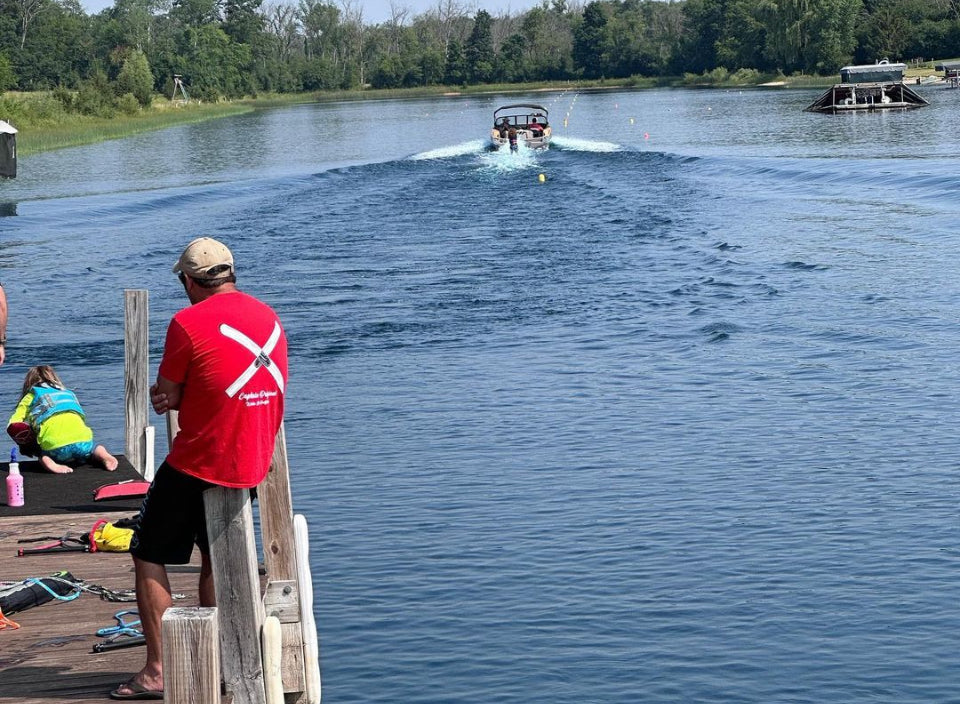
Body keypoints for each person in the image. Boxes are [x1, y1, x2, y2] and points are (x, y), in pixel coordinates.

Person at [111, 236, 288, 701]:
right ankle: (224, 656)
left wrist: (174, 394)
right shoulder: (268, 316)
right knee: (215, 553)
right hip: (253, 457)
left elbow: (166, 394)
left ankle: (158, 670)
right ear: (231, 274)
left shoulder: (186, 323)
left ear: (189, 282)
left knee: (146, 549)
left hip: (203, 458)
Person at [6, 365, 118, 473]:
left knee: (43, 453)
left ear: (28, 383)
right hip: (83, 441)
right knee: (93, 448)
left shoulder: (31, 395)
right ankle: (101, 453)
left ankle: (48, 461)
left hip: (55, 447)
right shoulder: (67, 392)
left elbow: (14, 425)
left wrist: (28, 443)